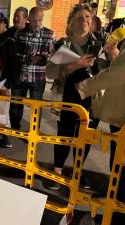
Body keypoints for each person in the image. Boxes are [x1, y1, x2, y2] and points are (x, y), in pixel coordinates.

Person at [44, 3, 114, 190]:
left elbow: (112, 68)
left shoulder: (100, 43)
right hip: (67, 96)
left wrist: (111, 52)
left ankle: (77, 171)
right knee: (64, 135)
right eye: (79, 18)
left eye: (88, 17)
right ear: (71, 24)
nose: (84, 20)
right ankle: (57, 171)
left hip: (93, 99)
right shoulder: (64, 45)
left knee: (85, 137)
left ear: (92, 22)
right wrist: (73, 65)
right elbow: (50, 72)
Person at [76, 36, 125, 225]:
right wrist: (115, 53)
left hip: (122, 117)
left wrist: (85, 87)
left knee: (121, 165)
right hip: (119, 115)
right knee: (118, 163)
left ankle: (115, 216)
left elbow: (118, 74)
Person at [10, 7, 55, 131]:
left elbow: (54, 56)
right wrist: (28, 58)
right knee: (16, 104)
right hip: (21, 75)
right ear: (29, 18)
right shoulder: (19, 33)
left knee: (36, 107)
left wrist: (44, 58)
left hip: (38, 76)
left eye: (40, 20)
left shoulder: (49, 34)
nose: (38, 23)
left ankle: (34, 131)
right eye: (35, 20)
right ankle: (14, 129)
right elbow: (15, 55)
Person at [0, 12, 20, 148]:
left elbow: (16, 66)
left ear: (5, 25)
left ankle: (5, 137)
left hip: (2, 81)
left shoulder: (9, 42)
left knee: (3, 111)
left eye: (0, 22)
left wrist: (8, 85)